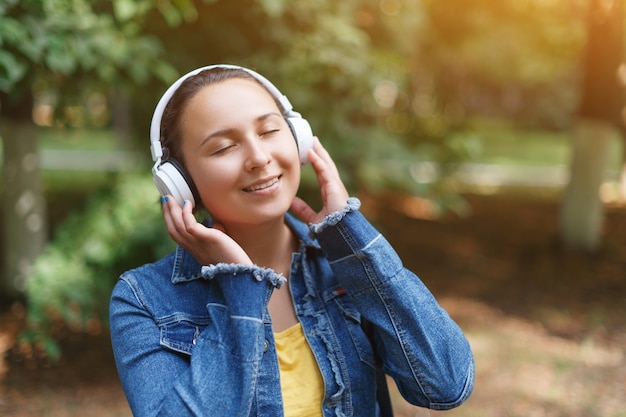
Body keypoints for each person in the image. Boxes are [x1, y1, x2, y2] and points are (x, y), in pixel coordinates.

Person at [109, 64, 474, 417]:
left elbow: (446, 385)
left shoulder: (345, 265)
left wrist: (350, 237)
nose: (259, 157)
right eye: (223, 148)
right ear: (180, 181)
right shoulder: (144, 300)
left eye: (269, 131)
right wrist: (239, 282)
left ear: (297, 137)